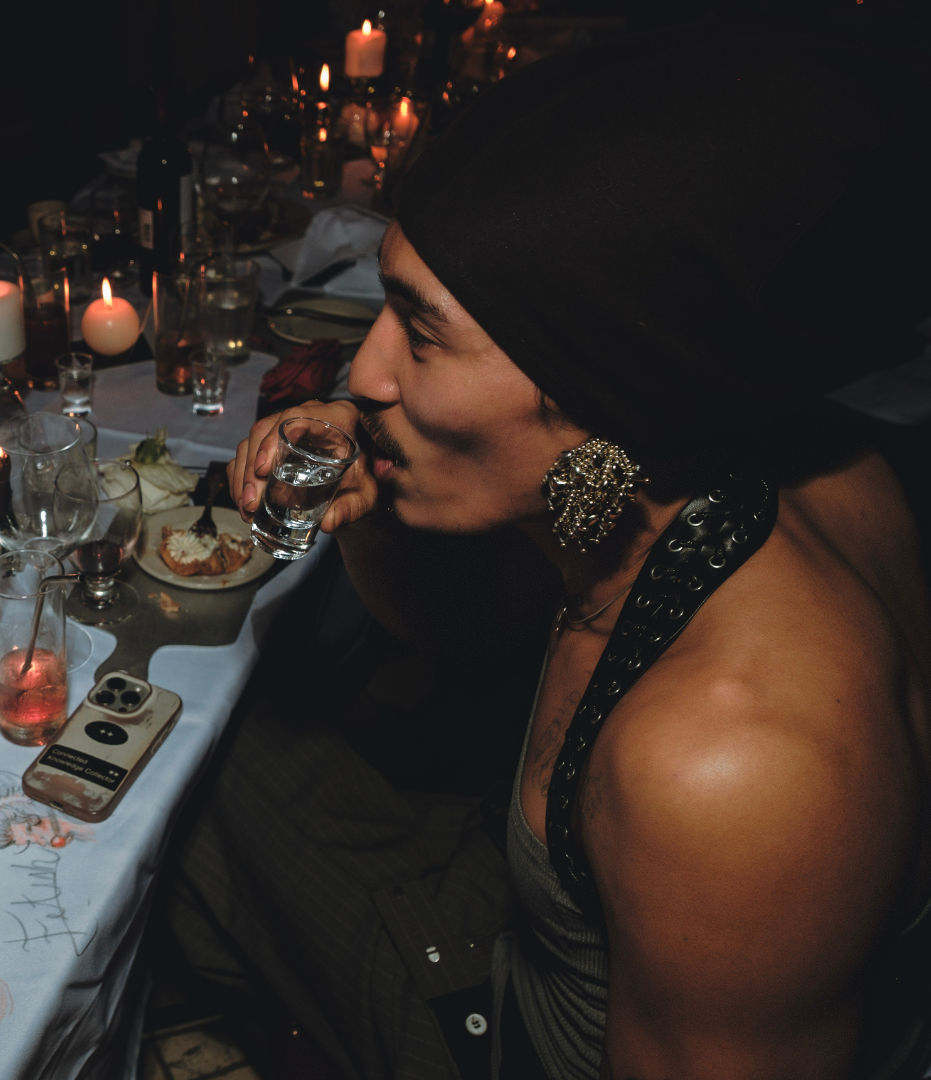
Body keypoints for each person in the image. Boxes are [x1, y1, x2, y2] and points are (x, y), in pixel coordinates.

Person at [168, 15, 931, 1080]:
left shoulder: (732, 766)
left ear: (598, 385)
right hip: (521, 928)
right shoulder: (706, 455)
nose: (365, 374)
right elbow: (467, 629)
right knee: (188, 746)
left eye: (419, 333)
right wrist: (374, 490)